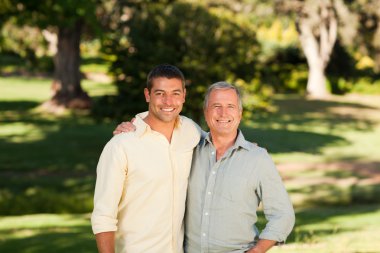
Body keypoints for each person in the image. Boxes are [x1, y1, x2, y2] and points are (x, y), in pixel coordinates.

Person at [114, 82, 295, 253]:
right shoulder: (189, 147)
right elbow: (157, 127)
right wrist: (134, 127)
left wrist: (257, 250)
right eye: (216, 106)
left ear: (240, 113)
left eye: (230, 106)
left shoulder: (257, 158)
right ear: (206, 112)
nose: (223, 113)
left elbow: (283, 215)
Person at [91, 64, 201, 253]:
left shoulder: (191, 131)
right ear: (147, 95)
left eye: (175, 93)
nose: (168, 101)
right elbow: (103, 216)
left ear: (184, 95)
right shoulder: (121, 146)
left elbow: (221, 144)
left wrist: (249, 149)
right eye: (160, 93)